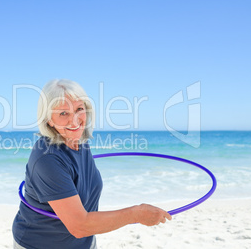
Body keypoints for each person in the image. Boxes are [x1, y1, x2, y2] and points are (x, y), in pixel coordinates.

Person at [12, 79, 172, 249]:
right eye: (63, 113)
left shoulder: (79, 141)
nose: (74, 121)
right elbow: (80, 225)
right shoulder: (47, 159)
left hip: (83, 243)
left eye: (79, 109)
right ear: (49, 120)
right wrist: (136, 214)